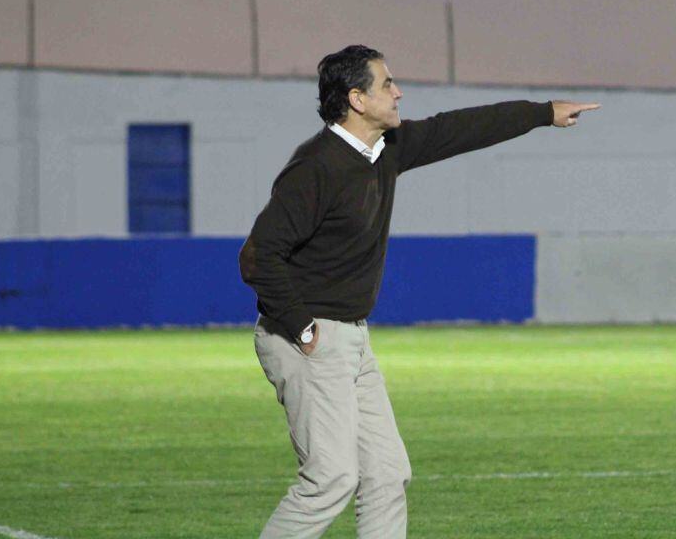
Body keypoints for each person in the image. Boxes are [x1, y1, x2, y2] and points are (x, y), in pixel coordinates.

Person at [239, 44, 598, 538]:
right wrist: (302, 328)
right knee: (330, 479)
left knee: (386, 473)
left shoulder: (388, 149)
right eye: (387, 83)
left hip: (350, 338)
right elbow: (258, 256)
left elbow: (460, 128)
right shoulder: (316, 166)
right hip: (308, 338)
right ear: (357, 99)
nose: (398, 91)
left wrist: (540, 114)